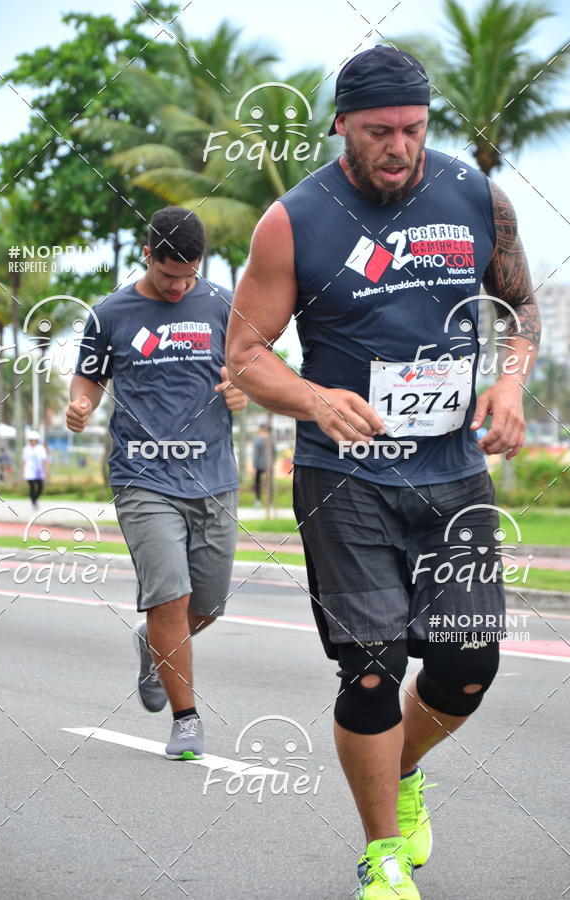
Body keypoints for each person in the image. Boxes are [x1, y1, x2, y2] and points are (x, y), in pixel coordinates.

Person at [226, 46, 540, 899]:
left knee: (467, 666)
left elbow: (516, 307)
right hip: (345, 475)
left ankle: (396, 771)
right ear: (341, 126)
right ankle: (383, 854)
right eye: (378, 132)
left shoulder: (476, 194)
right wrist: (315, 399)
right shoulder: (294, 220)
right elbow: (244, 357)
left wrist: (510, 377)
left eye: (412, 128)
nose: (399, 146)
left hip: (451, 470)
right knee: (371, 667)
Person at [67, 207, 247, 760]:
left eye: (189, 273)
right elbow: (89, 378)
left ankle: (155, 642)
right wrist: (80, 404)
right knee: (171, 596)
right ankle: (186, 719)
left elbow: (248, 368)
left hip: (213, 476)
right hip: (143, 477)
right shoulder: (111, 314)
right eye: (170, 274)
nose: (179, 285)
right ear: (149, 257)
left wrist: (243, 390)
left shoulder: (221, 304)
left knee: (208, 604)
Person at [22, 430, 49, 509]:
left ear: (36, 440)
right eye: (30, 440)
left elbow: (44, 460)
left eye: (33, 440)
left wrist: (46, 471)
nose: (32, 442)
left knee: (40, 488)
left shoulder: (41, 449)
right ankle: (33, 502)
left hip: (39, 471)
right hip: (29, 471)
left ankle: (35, 499)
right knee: (32, 487)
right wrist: (23, 473)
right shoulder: (26, 449)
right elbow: (24, 461)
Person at [252, 422, 275, 506]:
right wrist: (272, 462)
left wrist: (254, 466)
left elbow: (256, 454)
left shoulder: (257, 440)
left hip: (259, 465)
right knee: (269, 483)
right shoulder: (271, 439)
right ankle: (269, 502)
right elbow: (274, 453)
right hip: (269, 465)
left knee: (257, 483)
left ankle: (258, 500)